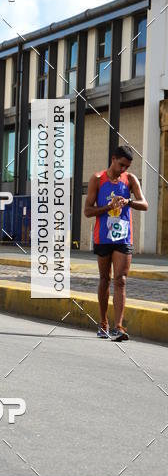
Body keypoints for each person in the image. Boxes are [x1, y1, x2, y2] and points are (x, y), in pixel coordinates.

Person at [84, 145, 148, 341]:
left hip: (123, 238)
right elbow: (87, 211)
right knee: (105, 279)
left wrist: (128, 202)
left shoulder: (130, 180)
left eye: (127, 167)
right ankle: (103, 323)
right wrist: (108, 207)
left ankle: (119, 327)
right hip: (103, 237)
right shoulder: (97, 179)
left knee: (121, 280)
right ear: (113, 159)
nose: (123, 170)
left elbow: (144, 205)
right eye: (121, 165)